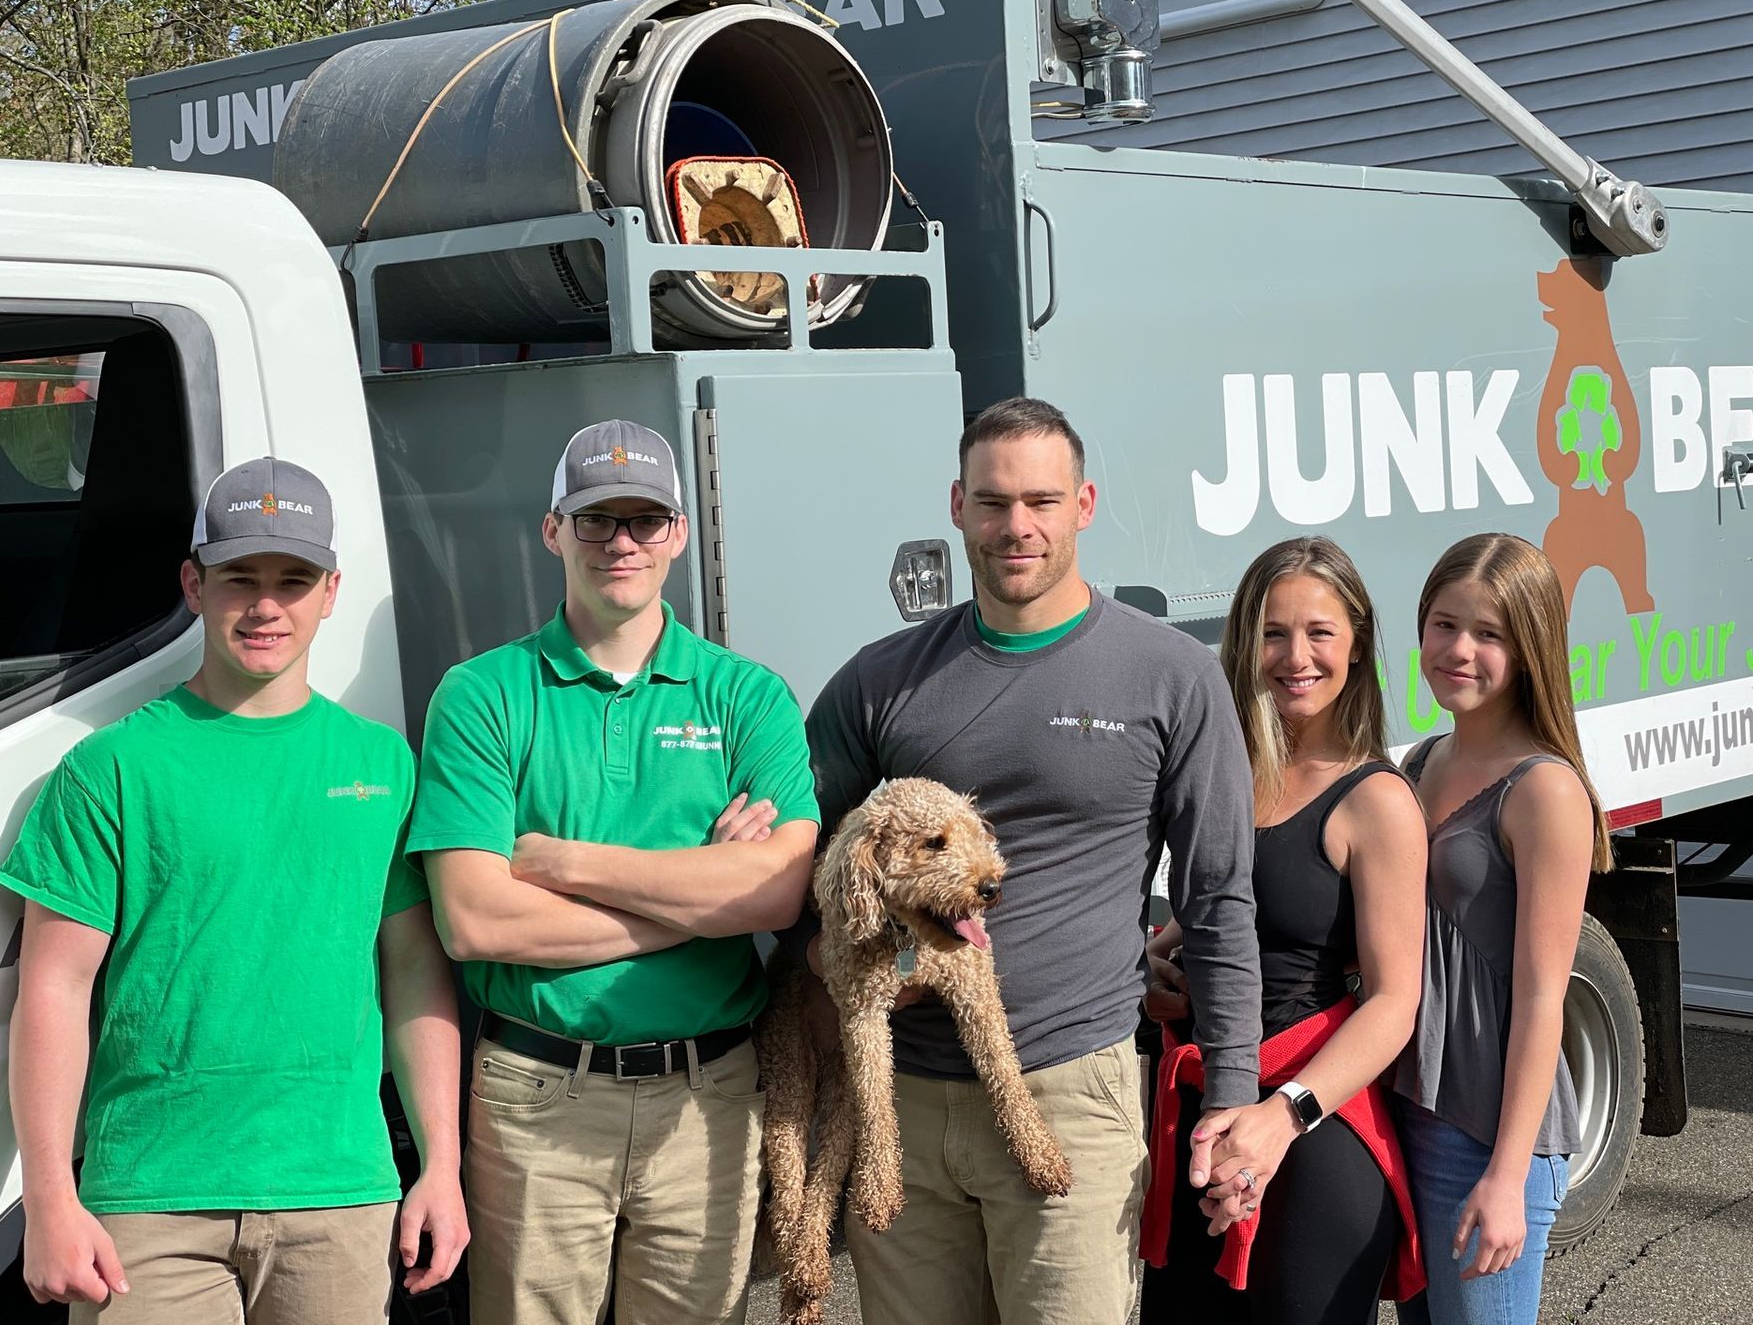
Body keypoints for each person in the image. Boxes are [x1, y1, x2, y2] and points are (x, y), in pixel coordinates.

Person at [803, 396, 1261, 1325]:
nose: (1019, 526)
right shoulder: (881, 679)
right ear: (958, 508)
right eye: (994, 501)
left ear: (1084, 505)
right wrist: (822, 957)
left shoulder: (1170, 675)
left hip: (1070, 1093)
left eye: (1043, 501)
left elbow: (1219, 899)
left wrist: (1237, 1091)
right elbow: (806, 868)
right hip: (904, 1102)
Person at [0, 457, 467, 1323]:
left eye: (291, 580)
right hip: (150, 1204)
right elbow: (54, 990)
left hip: (338, 1192)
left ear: (329, 592)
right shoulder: (113, 772)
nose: (264, 605)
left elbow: (413, 974)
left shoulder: (381, 766)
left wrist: (441, 1164)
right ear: (193, 584)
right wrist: (55, 1199)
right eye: (238, 577)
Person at [408, 418, 819, 1325]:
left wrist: (564, 863)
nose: (621, 542)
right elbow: (477, 921)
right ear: (553, 530)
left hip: (709, 1097)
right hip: (538, 1097)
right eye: (596, 520)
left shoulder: (746, 695)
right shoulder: (482, 696)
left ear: (678, 532)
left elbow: (779, 891)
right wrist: (704, 893)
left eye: (644, 519)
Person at [1140, 535, 1428, 1323]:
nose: (1294, 656)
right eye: (1272, 633)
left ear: (1359, 643)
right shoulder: (1230, 770)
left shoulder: (1377, 801)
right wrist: (1156, 968)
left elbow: (1394, 1002)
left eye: (1319, 632)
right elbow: (1221, 915)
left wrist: (1283, 1117)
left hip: (1311, 1139)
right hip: (1203, 1126)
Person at [1391, 533, 1608, 1325]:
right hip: (1408, 1110)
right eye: (1444, 624)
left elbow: (1546, 996)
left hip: (1484, 1138)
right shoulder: (1421, 762)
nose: (1459, 650)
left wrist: (1508, 1177)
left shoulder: (1545, 790)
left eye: (1489, 635)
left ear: (1532, 649)